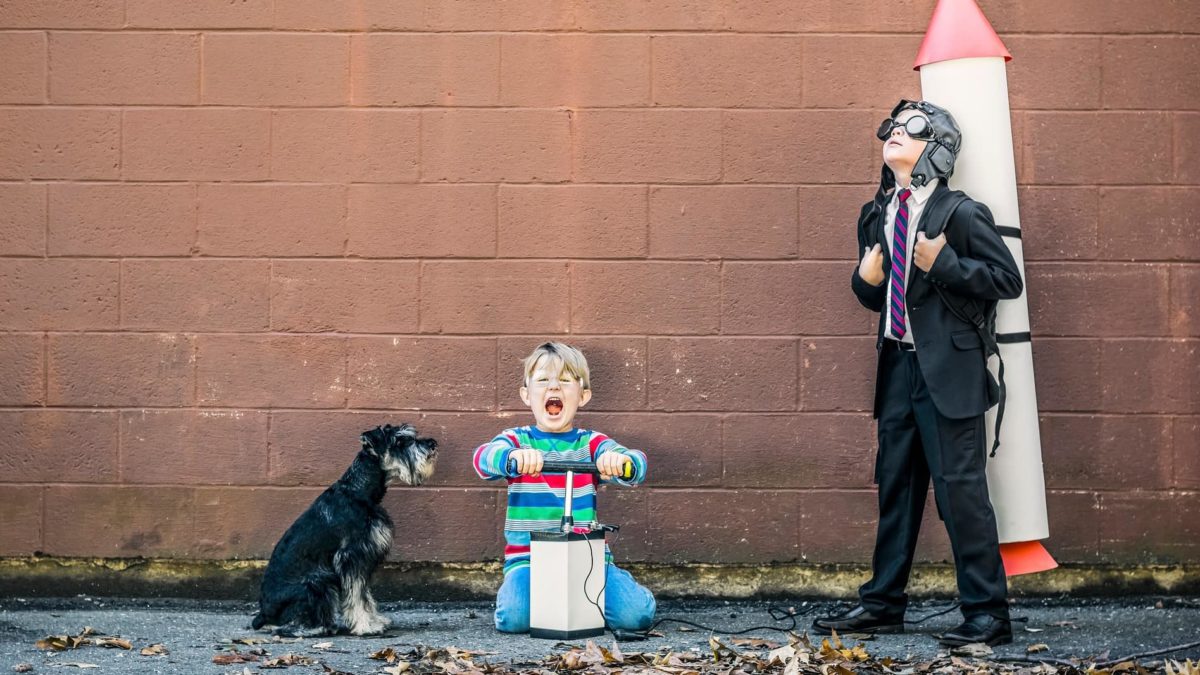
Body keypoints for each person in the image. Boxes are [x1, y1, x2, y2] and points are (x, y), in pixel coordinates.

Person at [812, 100, 1024, 647]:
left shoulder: (960, 213)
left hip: (949, 374)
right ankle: (882, 604)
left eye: (914, 130)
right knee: (897, 491)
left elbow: (1006, 279)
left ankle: (987, 614)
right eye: (892, 128)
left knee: (962, 495)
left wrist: (943, 263)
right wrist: (865, 278)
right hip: (898, 368)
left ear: (938, 149)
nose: (896, 136)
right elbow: (871, 293)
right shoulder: (875, 213)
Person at [472, 341, 655, 634]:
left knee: (636, 617)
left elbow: (638, 464)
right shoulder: (517, 440)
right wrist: (511, 458)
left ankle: (604, 599)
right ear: (526, 395)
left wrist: (620, 462)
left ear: (582, 396)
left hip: (587, 557)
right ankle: (554, 604)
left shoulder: (591, 443)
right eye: (543, 380)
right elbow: (482, 459)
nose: (553, 388)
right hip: (529, 559)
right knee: (515, 618)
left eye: (565, 381)